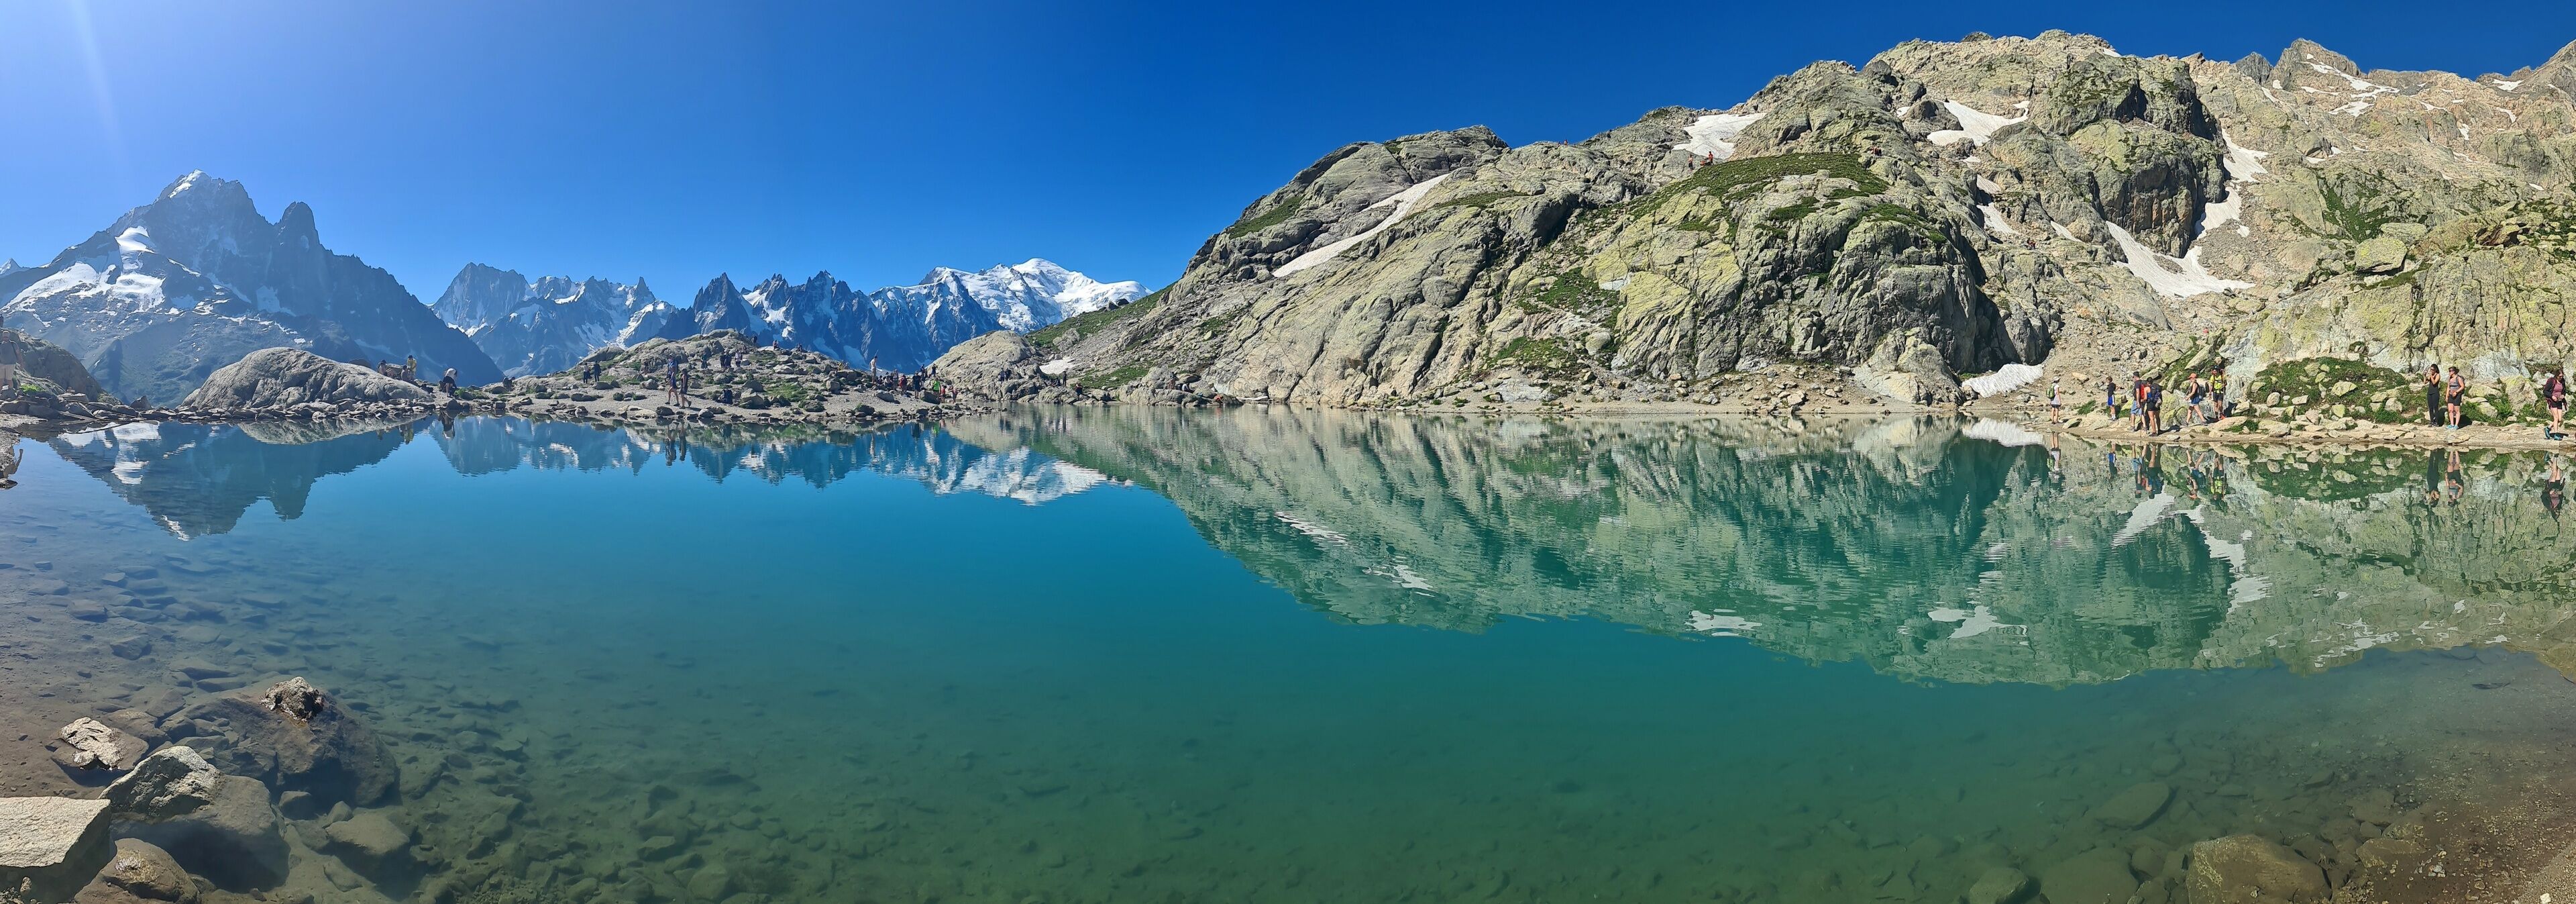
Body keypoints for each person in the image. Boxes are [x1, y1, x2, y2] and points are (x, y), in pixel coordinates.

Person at [2546, 366, 2569, 440]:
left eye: (2562, 376)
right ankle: (2556, 434)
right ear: (2556, 376)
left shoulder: (2563, 381)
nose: (2561, 378)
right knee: (2556, 418)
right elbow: (2545, 391)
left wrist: (2563, 395)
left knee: (2559, 419)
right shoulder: (2552, 381)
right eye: (2560, 376)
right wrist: (2552, 396)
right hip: (2552, 401)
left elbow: (2564, 390)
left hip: (2559, 401)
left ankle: (2548, 428)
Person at [2445, 366, 2467, 430]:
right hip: (2451, 396)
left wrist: (2456, 392)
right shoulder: (2450, 378)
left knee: (2457, 410)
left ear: (2453, 372)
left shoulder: (2458, 378)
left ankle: (2456, 425)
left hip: (2457, 396)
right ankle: (2452, 424)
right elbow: (2448, 387)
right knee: (2450, 410)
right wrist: (2447, 396)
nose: (2449, 372)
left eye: (2450, 371)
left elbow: (2462, 386)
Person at [2426, 364, 2445, 428]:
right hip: (2430, 392)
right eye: (2431, 369)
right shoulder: (2431, 375)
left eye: (2433, 370)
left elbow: (2434, 383)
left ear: (2436, 369)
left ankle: (2436, 422)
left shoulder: (2438, 375)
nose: (2431, 371)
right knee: (2430, 408)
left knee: (2436, 408)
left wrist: (2431, 375)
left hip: (2435, 392)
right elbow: (2425, 382)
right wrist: (2425, 375)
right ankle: (2432, 421)